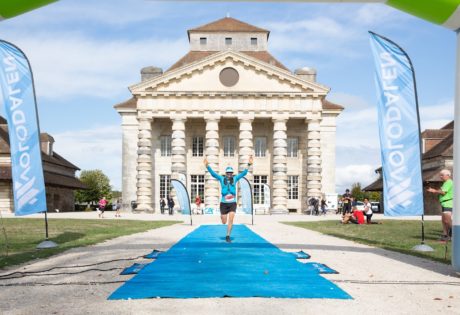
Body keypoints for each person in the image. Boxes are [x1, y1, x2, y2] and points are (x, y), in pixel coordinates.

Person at [204, 155, 253, 243]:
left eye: (231, 173)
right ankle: (222, 216)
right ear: (226, 173)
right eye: (228, 173)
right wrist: (207, 166)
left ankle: (227, 236)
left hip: (232, 203)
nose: (229, 174)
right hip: (223, 203)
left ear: (232, 173)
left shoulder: (235, 178)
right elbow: (213, 174)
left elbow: (244, 173)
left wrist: (249, 164)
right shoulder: (221, 179)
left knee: (231, 219)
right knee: (224, 221)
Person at [427, 169, 454, 241]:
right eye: (440, 175)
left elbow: (443, 192)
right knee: (443, 220)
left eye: (442, 175)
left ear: (448, 175)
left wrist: (434, 190)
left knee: (447, 220)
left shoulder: (448, 182)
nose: (440, 177)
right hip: (445, 203)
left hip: (448, 203)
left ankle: (453, 234)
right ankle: (445, 235)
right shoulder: (446, 182)